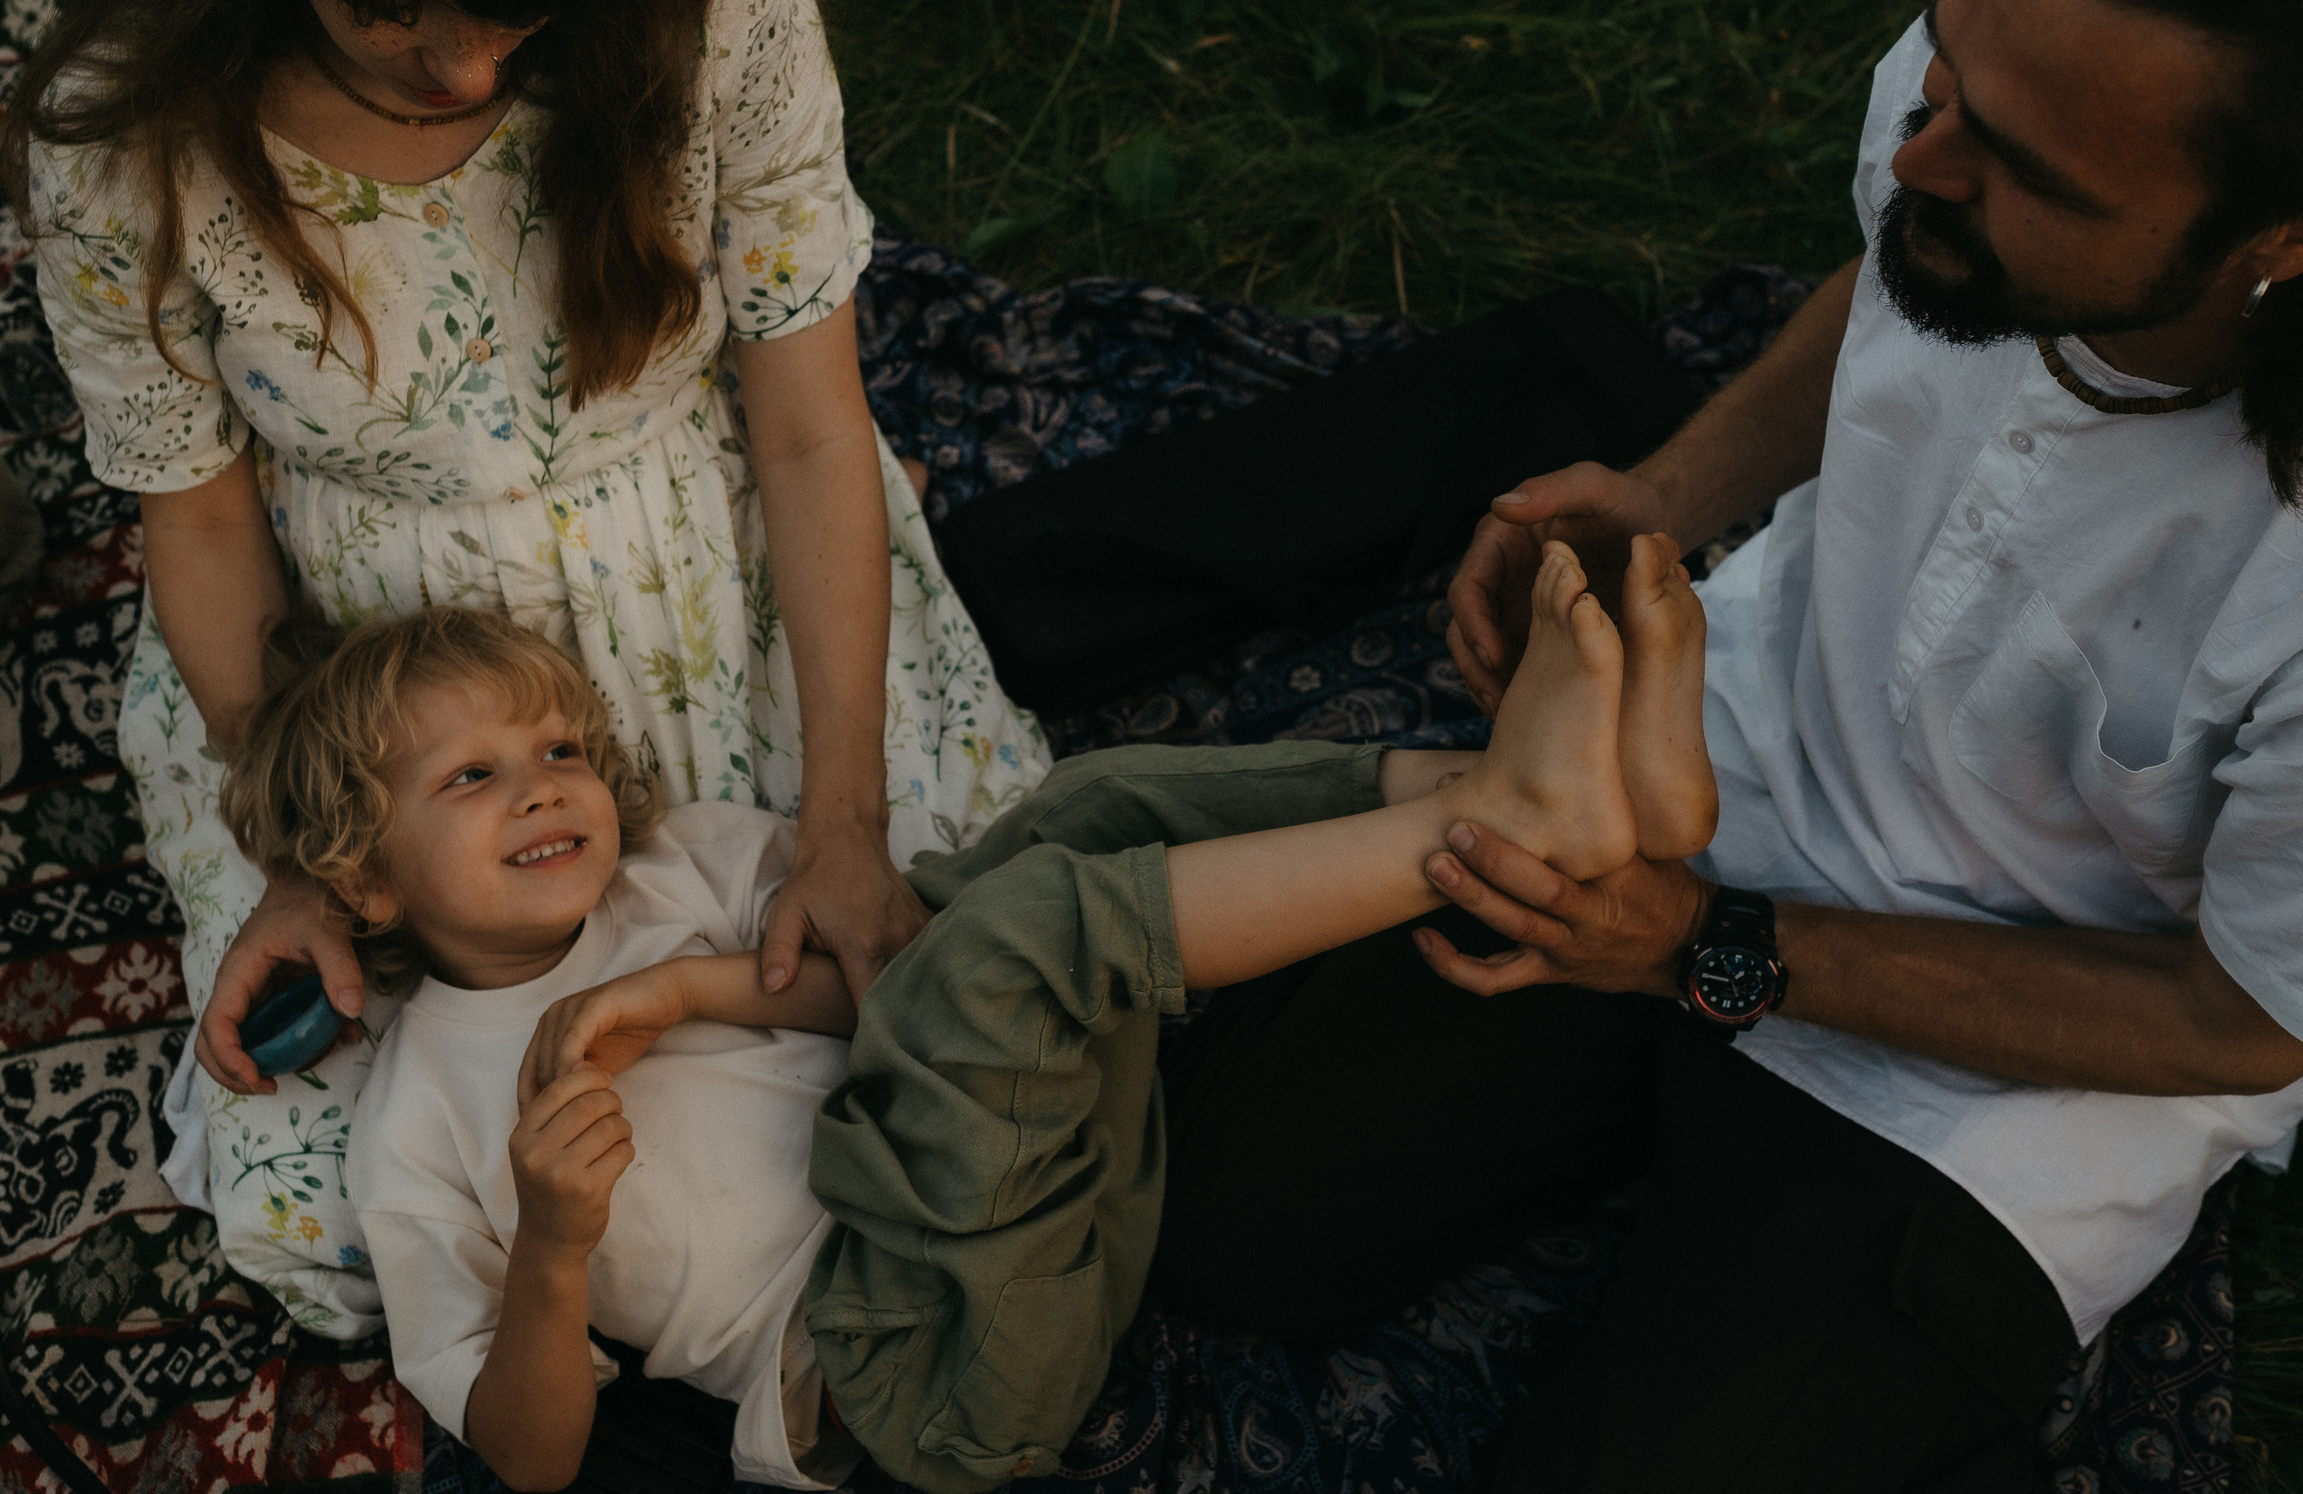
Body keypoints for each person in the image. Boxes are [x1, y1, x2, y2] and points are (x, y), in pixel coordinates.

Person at [1139, 0, 2303, 1487]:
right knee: (1217, 1224)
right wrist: (1666, 494)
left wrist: (1700, 951)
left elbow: (2239, 1023)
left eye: (2022, 167)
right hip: (1722, 772)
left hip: (2001, 1098)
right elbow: (1902, 269)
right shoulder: (2017, 86)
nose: (1919, 156)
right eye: (1948, 76)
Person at [1, 0, 1046, 1337]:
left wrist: (842, 819)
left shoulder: (714, 0)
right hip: (368, 693)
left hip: (711, 589)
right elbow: (204, 519)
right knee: (367, 1213)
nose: (469, 69)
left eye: (513, 8)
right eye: (393, 14)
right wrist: (298, 853)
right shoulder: (135, 127)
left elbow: (816, 433)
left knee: (962, 1013)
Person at [228, 539, 1712, 1491]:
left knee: (1081, 808)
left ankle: (1495, 800)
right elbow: (527, 1454)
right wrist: (553, 1248)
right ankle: (1516, 824)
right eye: (471, 778)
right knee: (1006, 950)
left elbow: (877, 980)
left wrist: (678, 984)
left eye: (555, 744)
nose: (546, 783)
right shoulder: (424, 1121)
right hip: (911, 1361)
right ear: (361, 873)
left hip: (1042, 1182)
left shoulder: (681, 866)